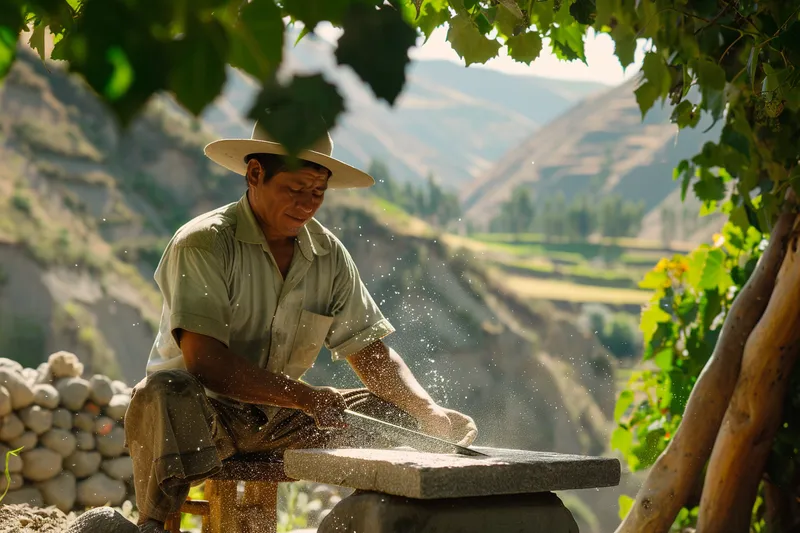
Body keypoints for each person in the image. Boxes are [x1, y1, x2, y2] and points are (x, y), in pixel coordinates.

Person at [124, 120, 478, 532]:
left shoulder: (327, 254)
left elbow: (369, 350)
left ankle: (386, 524)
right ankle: (152, 523)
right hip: (204, 417)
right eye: (295, 189)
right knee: (166, 391)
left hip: (281, 418)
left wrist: (427, 411)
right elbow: (206, 363)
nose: (308, 204)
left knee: (396, 411)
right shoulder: (204, 242)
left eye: (317, 193)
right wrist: (304, 397)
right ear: (255, 174)